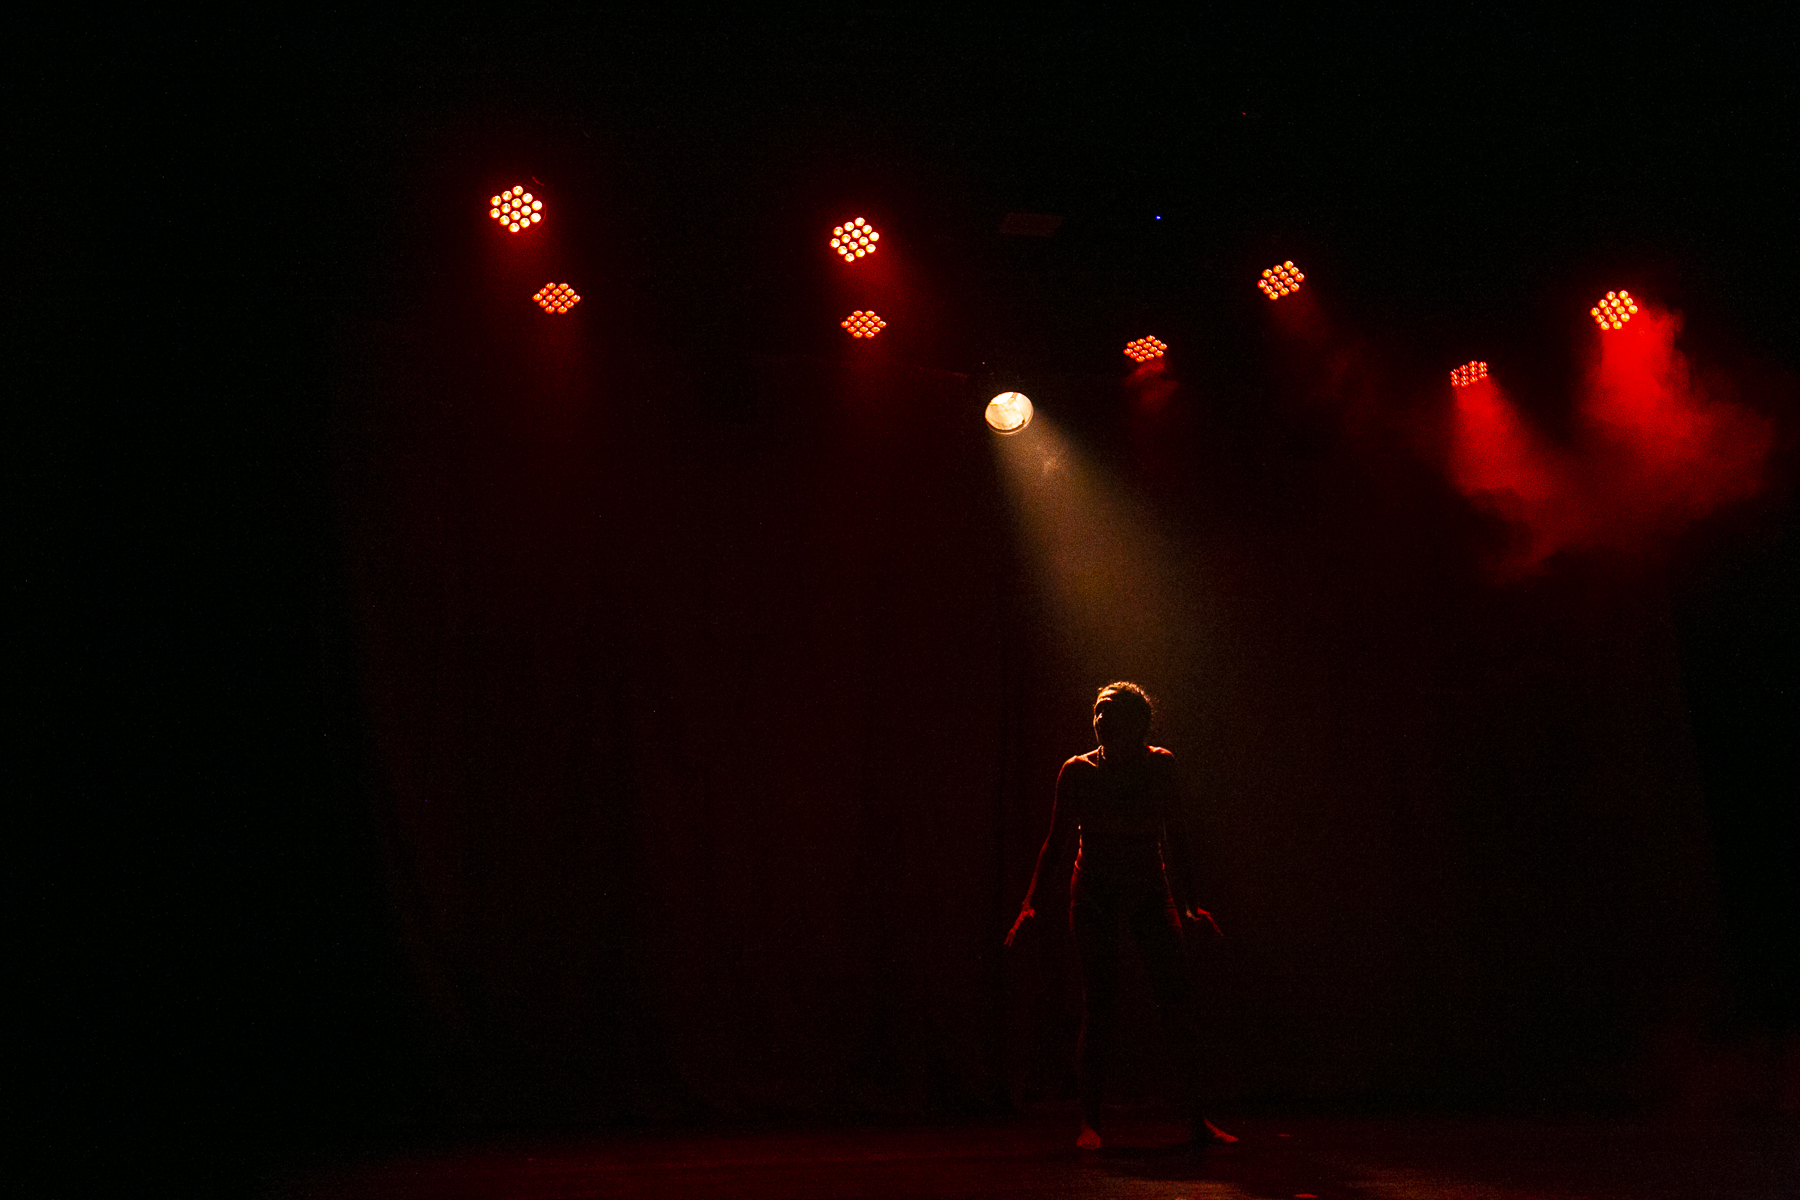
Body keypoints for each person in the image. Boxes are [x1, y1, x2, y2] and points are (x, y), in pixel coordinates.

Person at [1005, 682, 1236, 1150]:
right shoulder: (1077, 771)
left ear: (1137, 724)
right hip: (1095, 892)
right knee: (1099, 1006)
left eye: (1109, 712)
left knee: (1176, 1003)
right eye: (1097, 711)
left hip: (1149, 889)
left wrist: (1190, 906)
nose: (1099, 720)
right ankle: (1089, 1123)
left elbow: (1176, 837)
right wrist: (1030, 903)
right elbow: (1055, 842)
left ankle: (1197, 1120)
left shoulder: (1160, 766)